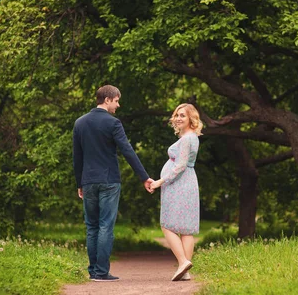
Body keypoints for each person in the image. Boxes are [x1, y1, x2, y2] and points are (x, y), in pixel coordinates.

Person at [73, 85, 154, 282]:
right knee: (105, 226)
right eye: (116, 100)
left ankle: (93, 271)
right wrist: (144, 177)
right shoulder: (113, 123)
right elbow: (127, 151)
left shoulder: (80, 123)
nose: (118, 104)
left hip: (88, 181)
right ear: (107, 100)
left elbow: (77, 156)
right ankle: (101, 272)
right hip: (109, 181)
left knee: (91, 226)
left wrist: (79, 183)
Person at [150, 103, 202, 281]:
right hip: (187, 183)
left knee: (167, 225)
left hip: (179, 184)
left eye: (183, 115)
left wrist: (159, 182)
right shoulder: (192, 137)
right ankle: (185, 271)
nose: (178, 118)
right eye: (177, 115)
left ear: (191, 119)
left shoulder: (187, 139)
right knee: (186, 230)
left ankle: (182, 262)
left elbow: (180, 166)